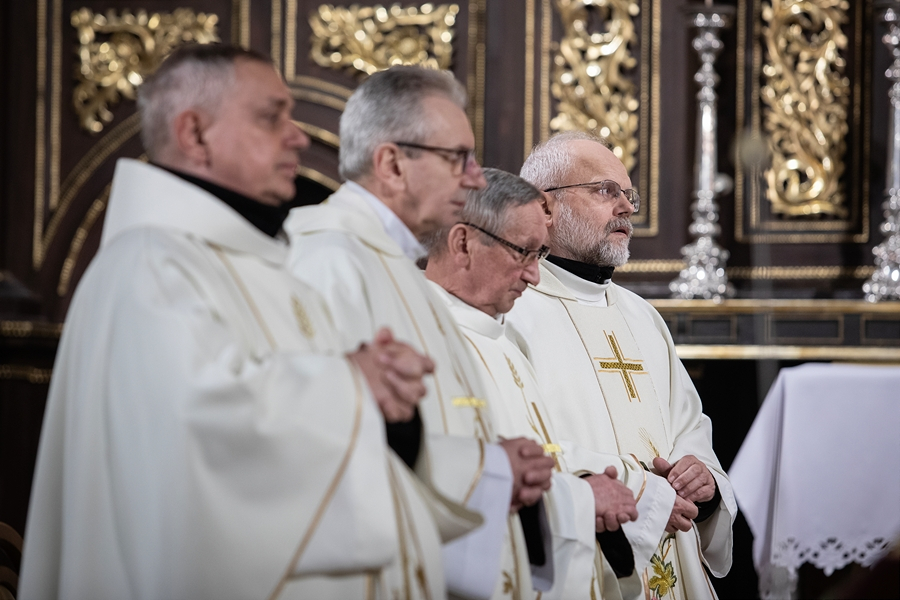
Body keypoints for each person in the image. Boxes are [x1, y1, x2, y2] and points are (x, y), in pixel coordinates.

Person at [19, 44, 474, 600]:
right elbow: (200, 441)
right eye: (270, 117)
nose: (298, 137)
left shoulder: (265, 266)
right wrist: (355, 385)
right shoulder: (150, 268)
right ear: (195, 134)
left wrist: (388, 406)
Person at [284, 66, 555, 599]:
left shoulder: (396, 268)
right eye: (458, 158)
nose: (474, 178)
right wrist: (486, 469)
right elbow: (320, 448)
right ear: (392, 165)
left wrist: (496, 467)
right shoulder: (328, 260)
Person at [507, 132, 737, 599]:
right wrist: (644, 492)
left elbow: (689, 427)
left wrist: (705, 482)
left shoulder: (641, 315)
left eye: (628, 194)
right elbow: (517, 447)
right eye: (605, 191)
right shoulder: (512, 310)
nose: (627, 208)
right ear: (545, 205)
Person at [425, 167, 665, 598]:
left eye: (540, 255)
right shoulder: (423, 340)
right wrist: (583, 500)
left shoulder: (499, 339)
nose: (534, 276)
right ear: (462, 244)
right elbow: (441, 487)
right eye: (524, 253)